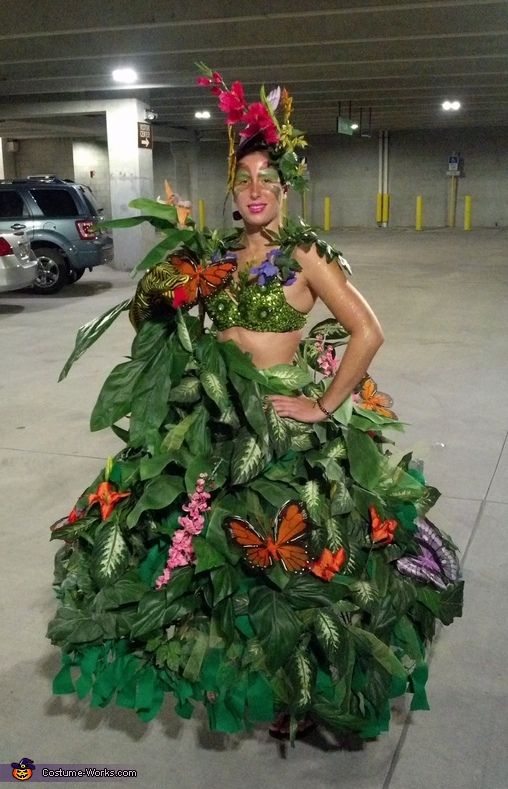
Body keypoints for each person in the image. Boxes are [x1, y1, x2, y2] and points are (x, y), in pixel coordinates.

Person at [47, 66, 463, 747]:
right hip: (216, 427)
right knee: (223, 576)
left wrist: (325, 406)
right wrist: (171, 257)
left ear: (286, 187)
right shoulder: (213, 255)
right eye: (245, 181)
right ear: (232, 192)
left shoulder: (305, 257)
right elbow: (150, 322)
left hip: (284, 437)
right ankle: (253, 687)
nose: (257, 191)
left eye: (269, 179)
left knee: (294, 576)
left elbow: (368, 331)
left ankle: (306, 695)